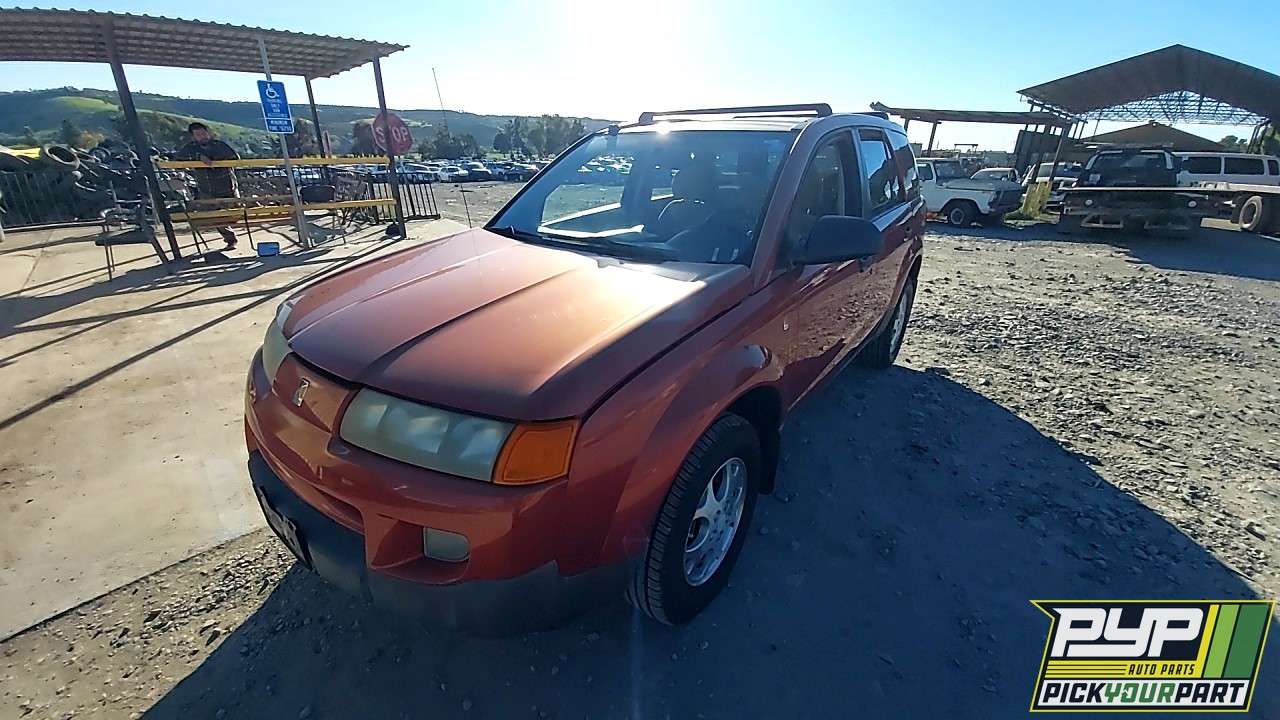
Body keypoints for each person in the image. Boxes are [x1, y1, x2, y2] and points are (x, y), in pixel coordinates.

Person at [174, 122, 241, 249]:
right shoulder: (191, 148)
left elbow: (235, 158)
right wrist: (197, 157)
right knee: (212, 216)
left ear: (208, 133)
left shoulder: (219, 145)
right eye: (198, 134)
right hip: (207, 189)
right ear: (193, 137)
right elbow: (178, 161)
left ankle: (230, 235)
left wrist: (215, 159)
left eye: (203, 133)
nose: (202, 136)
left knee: (233, 215)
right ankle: (230, 239)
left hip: (227, 187)